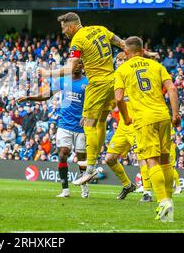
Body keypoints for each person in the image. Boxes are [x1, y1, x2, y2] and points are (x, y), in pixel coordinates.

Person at [38, 12, 126, 187]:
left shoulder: (77, 40)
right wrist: (143, 52)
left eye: (64, 29)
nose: (64, 32)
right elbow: (123, 44)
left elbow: (71, 69)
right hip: (113, 82)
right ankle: (94, 161)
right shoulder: (100, 29)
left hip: (97, 85)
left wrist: (49, 73)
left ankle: (91, 168)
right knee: (101, 122)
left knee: (88, 123)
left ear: (71, 26)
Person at [114, 36, 180, 222]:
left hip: (144, 119)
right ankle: (169, 203)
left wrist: (126, 118)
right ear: (143, 50)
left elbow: (119, 98)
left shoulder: (122, 69)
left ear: (126, 53)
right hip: (163, 116)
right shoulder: (157, 66)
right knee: (166, 160)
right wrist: (175, 114)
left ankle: (163, 202)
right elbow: (172, 89)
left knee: (152, 161)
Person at [18, 61, 89, 198]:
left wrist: (87, 116)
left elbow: (92, 103)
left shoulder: (87, 82)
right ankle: (65, 190)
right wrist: (29, 98)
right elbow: (47, 95)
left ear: (83, 66)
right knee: (63, 153)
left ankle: (84, 186)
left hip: (81, 127)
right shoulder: (62, 80)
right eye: (75, 63)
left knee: (81, 159)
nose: (78, 65)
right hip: (64, 124)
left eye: (80, 63)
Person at [104, 52, 137, 200]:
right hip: (124, 126)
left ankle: (148, 192)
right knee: (109, 158)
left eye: (124, 60)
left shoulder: (134, 77)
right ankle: (128, 185)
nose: (120, 62)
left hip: (137, 124)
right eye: (118, 60)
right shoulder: (116, 80)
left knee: (144, 157)